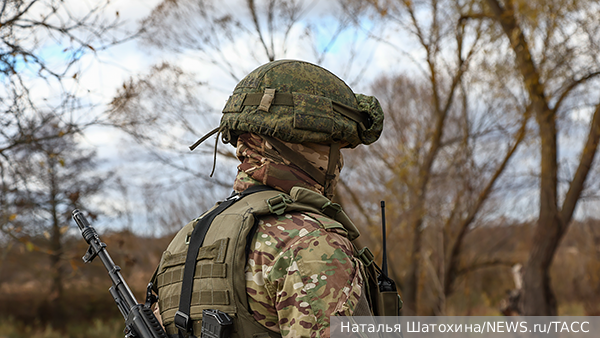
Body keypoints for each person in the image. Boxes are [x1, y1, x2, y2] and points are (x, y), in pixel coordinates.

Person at [151, 60, 397, 338]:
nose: (337, 161)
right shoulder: (310, 243)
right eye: (331, 147)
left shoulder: (185, 241)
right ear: (299, 145)